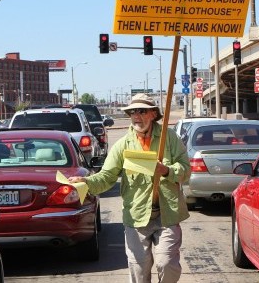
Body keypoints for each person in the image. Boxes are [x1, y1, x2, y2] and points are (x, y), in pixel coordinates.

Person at [68, 93, 190, 283]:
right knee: (139, 270)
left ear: (152, 114)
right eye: (132, 112)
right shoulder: (123, 145)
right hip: (136, 217)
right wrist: (87, 182)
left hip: (167, 215)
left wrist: (166, 170)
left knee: (167, 264)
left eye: (141, 111)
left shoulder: (170, 138)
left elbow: (186, 171)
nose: (136, 116)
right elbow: (107, 177)